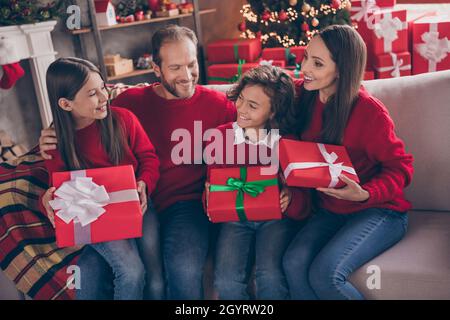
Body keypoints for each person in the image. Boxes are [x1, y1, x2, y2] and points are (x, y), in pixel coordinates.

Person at [39, 25, 236, 299]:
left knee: (182, 267)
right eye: (175, 67)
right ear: (156, 69)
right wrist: (51, 133)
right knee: (91, 271)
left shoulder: (219, 104)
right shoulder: (128, 104)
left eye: (191, 64)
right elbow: (80, 120)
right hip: (115, 209)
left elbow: (258, 123)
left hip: (182, 206)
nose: (187, 76)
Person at [282, 25, 414, 300]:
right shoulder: (304, 94)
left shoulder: (368, 111)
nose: (304, 67)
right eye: (305, 57)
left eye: (317, 63)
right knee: (292, 263)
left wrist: (366, 193)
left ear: (341, 69)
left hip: (379, 211)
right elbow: (265, 90)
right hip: (331, 211)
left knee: (324, 274)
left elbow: (401, 167)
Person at [40, 57, 161, 300]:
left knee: (153, 267)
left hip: (136, 206)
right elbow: (61, 191)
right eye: (93, 93)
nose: (105, 97)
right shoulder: (56, 142)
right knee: (131, 271)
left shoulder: (123, 119)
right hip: (93, 217)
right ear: (66, 104)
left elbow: (149, 158)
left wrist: (143, 183)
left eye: (103, 87)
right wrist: (50, 199)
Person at [203, 65, 311, 299]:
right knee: (225, 280)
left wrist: (290, 198)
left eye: (252, 106)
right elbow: (213, 186)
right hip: (235, 221)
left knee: (270, 276)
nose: (241, 109)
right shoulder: (221, 137)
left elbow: (305, 203)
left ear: (273, 112)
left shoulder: (287, 142)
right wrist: (210, 197)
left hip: (275, 220)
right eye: (240, 99)